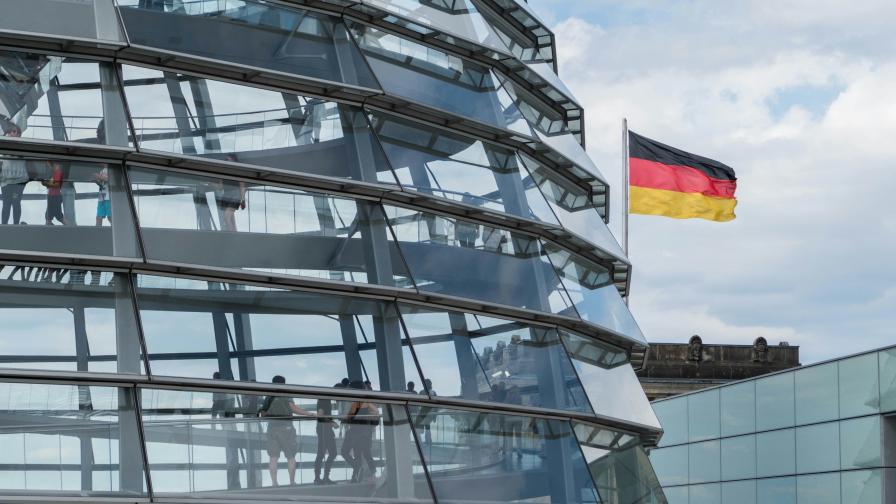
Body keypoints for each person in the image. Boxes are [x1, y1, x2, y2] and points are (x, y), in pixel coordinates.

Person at [259, 375, 313, 486]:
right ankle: (292, 482)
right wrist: (310, 414)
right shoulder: (286, 393)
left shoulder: (269, 396)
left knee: (273, 458)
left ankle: (274, 483)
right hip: (286, 427)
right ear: (284, 383)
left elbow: (263, 413)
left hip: (272, 428)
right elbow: (293, 408)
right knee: (291, 457)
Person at [341, 381, 380, 483]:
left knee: (345, 452)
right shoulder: (365, 401)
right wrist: (367, 418)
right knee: (362, 453)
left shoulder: (357, 402)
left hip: (356, 432)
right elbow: (376, 412)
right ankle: (356, 476)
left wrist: (343, 419)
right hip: (365, 432)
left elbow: (349, 418)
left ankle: (357, 471)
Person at [211, 372, 240, 490]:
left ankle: (232, 466)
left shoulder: (217, 389)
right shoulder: (227, 388)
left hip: (225, 417)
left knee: (230, 442)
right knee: (233, 441)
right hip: (230, 417)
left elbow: (216, 404)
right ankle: (233, 465)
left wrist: (213, 423)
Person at [1, 128, 28, 225]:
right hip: (6, 181)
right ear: (8, 133)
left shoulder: (22, 145)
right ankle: (4, 226)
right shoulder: (3, 143)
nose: (16, 133)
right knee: (6, 204)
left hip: (18, 181)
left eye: (17, 132)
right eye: (13, 131)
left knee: (16, 203)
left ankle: (16, 225)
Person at [314, 392, 338, 485]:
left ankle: (322, 478)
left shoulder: (324, 400)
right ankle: (320, 478)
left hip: (324, 429)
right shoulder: (324, 400)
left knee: (326, 453)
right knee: (324, 453)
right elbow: (320, 415)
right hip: (324, 429)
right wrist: (332, 423)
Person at [216, 164, 246, 231]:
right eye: (226, 160)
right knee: (231, 218)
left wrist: (243, 200)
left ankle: (231, 235)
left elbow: (242, 186)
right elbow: (220, 187)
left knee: (227, 217)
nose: (227, 162)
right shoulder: (223, 172)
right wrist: (212, 184)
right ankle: (234, 234)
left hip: (235, 195)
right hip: (226, 196)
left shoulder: (237, 172)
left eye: (229, 160)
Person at [42, 161, 65, 225]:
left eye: (49, 165)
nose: (48, 167)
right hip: (52, 196)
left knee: (53, 217)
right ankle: (70, 227)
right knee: (55, 216)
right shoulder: (53, 173)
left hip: (55, 197)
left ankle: (71, 228)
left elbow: (57, 185)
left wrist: (46, 184)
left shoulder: (58, 172)